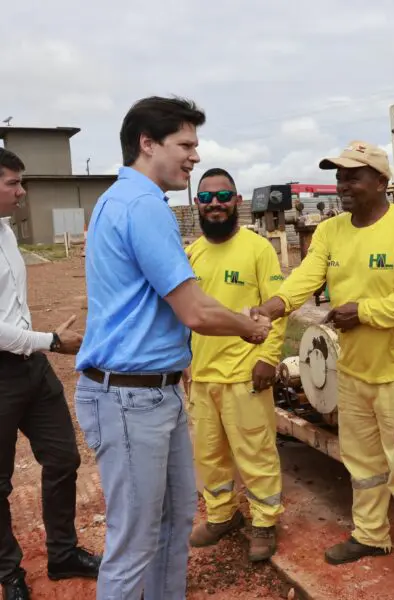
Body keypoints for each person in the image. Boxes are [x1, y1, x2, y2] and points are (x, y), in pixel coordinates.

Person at [74, 96, 272, 600]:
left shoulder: (121, 202)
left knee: (174, 520)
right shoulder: (141, 207)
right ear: (147, 143)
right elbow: (195, 311)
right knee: (134, 544)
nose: (194, 156)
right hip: (130, 400)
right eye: (185, 144)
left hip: (151, 395)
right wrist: (249, 327)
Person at [252, 141, 394, 600]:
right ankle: (371, 535)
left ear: (381, 181)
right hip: (352, 370)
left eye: (352, 176)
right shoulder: (332, 231)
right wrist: (269, 309)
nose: (342, 186)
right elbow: (303, 279)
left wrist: (367, 311)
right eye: (339, 177)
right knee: (363, 464)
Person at [0, 148, 101, 600]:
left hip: (32, 368)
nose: (22, 192)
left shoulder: (5, 231)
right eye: (13, 184)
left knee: (63, 458)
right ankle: (10, 575)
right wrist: (51, 341)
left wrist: (38, 342)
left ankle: (62, 555)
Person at [184, 167, 287, 562]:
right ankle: (221, 514)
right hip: (202, 373)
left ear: (237, 201)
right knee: (208, 455)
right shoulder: (192, 252)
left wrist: (267, 357)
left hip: (245, 374)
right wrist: (184, 362)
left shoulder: (258, 249)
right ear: (197, 203)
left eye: (223, 196)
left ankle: (263, 521)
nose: (215, 205)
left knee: (256, 452)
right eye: (207, 198)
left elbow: (279, 308)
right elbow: (187, 312)